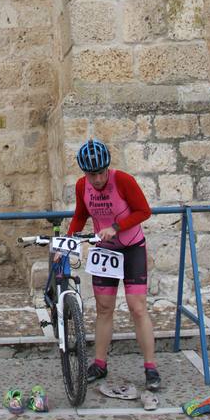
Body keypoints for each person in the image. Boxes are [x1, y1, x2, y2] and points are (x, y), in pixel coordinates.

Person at [67, 138, 161, 392]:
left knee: (137, 307)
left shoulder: (123, 181)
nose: (96, 179)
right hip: (105, 250)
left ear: (107, 167)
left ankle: (150, 367)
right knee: (104, 307)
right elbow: (80, 215)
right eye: (90, 174)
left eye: (100, 173)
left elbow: (144, 211)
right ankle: (100, 363)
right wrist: (67, 241)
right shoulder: (81, 186)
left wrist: (116, 227)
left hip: (132, 248)